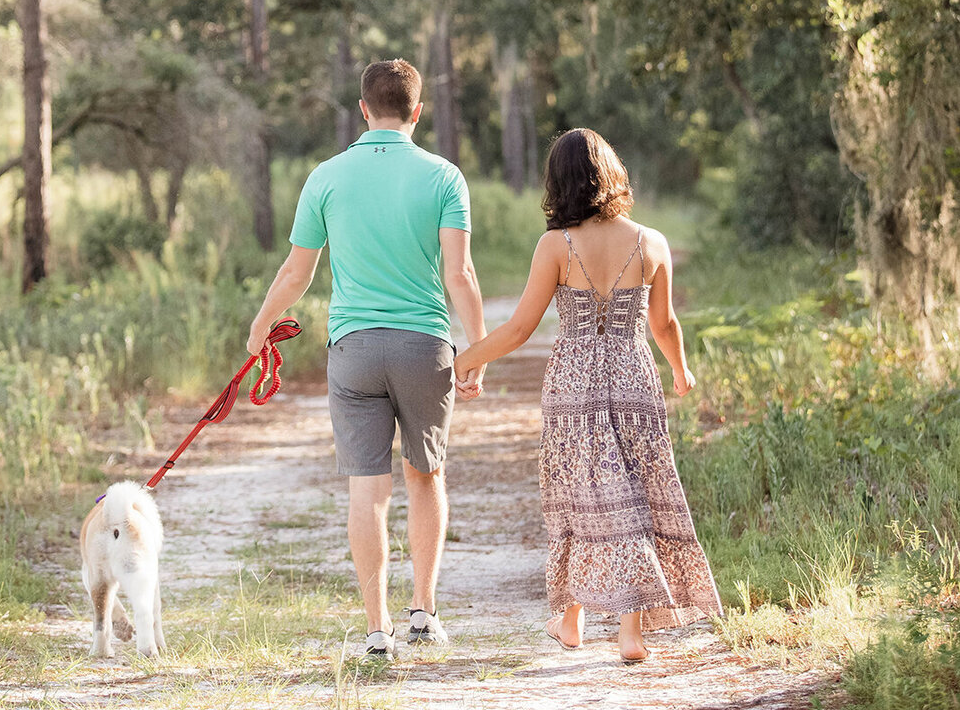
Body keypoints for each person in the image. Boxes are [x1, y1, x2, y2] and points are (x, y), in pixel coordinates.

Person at [247, 57, 487, 660]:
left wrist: (260, 326)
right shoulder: (444, 176)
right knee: (425, 475)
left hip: (352, 350)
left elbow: (297, 271)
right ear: (417, 110)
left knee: (366, 487)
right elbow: (458, 273)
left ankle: (377, 629)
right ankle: (424, 613)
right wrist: (477, 346)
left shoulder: (326, 176)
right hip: (423, 346)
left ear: (362, 109)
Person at [454, 127, 721, 665]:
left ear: (560, 182)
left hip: (573, 380)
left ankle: (573, 617)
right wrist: (681, 369)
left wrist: (467, 358)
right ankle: (626, 632)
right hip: (632, 376)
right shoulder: (652, 242)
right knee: (635, 492)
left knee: (577, 493)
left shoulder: (556, 245)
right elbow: (663, 323)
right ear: (612, 174)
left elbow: (522, 327)